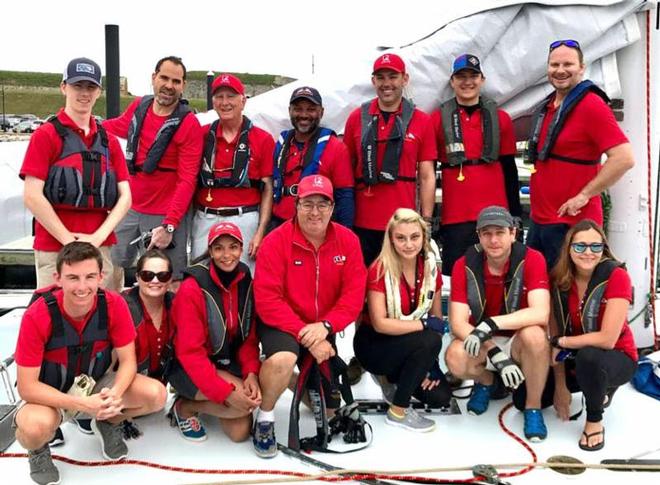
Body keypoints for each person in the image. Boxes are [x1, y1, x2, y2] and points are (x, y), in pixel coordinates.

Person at [13, 242, 166, 485]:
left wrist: (113, 397)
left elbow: (128, 362)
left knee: (156, 395)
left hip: (97, 385)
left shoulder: (115, 304)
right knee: (32, 428)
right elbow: (27, 387)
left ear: (100, 277)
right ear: (58, 278)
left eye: (89, 277)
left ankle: (108, 422)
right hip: (50, 395)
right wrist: (82, 404)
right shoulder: (37, 315)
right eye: (73, 277)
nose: (82, 287)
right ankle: (39, 450)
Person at [253, 174, 366, 458]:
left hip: (322, 327)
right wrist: (308, 334)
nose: (315, 212)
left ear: (332, 207)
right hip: (282, 324)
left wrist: (326, 326)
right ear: (296, 205)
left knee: (327, 410)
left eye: (322, 204)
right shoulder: (275, 241)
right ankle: (264, 419)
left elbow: (353, 296)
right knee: (283, 359)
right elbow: (268, 301)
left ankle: (290, 381)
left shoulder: (348, 241)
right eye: (308, 204)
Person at [21, 57, 131, 289]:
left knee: (106, 314)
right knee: (54, 316)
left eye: (91, 87)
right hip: (54, 247)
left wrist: (97, 239)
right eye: (77, 86)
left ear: (99, 92)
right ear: (64, 87)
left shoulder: (109, 141)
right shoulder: (45, 136)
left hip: (100, 245)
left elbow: (125, 197)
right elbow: (32, 195)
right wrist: (69, 240)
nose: (84, 93)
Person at [445, 206, 551, 442]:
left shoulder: (533, 259)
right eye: (486, 233)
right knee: (454, 356)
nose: (493, 240)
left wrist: (490, 323)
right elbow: (458, 323)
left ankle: (532, 407)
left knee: (535, 335)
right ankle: (488, 382)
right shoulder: (463, 264)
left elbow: (541, 313)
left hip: (517, 338)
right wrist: (493, 350)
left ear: (513, 233)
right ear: (478, 235)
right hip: (483, 341)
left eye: (500, 232)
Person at [525, 39, 634, 269]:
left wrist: (585, 195)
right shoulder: (549, 106)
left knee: (570, 297)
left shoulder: (591, 105)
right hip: (540, 221)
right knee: (539, 295)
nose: (560, 70)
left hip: (572, 226)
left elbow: (624, 157)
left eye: (568, 64)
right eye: (554, 65)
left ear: (582, 68)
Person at [103, 56, 203, 288]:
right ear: (153, 78)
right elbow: (117, 126)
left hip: (162, 214)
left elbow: (187, 179)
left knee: (166, 279)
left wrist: (170, 225)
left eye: (176, 81)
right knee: (109, 265)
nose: (169, 85)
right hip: (130, 207)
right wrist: (78, 123)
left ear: (183, 86)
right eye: (164, 78)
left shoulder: (188, 124)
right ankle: (111, 316)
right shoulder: (139, 106)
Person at [354, 208, 450, 432]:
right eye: (401, 238)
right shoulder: (379, 269)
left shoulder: (430, 268)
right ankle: (398, 411)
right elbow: (380, 323)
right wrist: (424, 326)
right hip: (373, 345)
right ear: (391, 239)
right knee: (430, 340)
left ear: (424, 237)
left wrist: (430, 364)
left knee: (440, 396)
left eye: (415, 237)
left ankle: (394, 377)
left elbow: (436, 316)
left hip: (407, 343)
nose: (409, 244)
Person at [545, 219, 637, 451]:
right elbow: (554, 334)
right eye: (580, 246)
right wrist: (560, 387)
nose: (588, 252)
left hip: (616, 357)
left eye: (596, 247)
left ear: (603, 249)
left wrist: (563, 342)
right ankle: (594, 386)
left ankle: (595, 419)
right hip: (574, 356)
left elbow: (607, 338)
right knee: (525, 397)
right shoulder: (557, 279)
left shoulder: (617, 276)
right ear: (569, 249)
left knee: (589, 356)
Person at [167, 222, 261, 442]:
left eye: (233, 247)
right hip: (189, 367)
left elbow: (249, 339)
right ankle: (185, 406)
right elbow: (190, 353)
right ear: (209, 251)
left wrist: (250, 373)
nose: (226, 255)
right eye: (218, 248)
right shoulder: (192, 289)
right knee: (238, 405)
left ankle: (208, 401)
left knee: (240, 434)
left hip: (226, 362)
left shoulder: (245, 279)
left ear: (241, 248)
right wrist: (225, 391)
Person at [431, 54, 521, 277]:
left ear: (482, 79)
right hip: (456, 216)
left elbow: (510, 169)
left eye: (473, 76)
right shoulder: (436, 120)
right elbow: (429, 173)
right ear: (452, 81)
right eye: (461, 76)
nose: (467, 82)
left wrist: (515, 214)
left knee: (499, 275)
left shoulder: (501, 118)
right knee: (456, 277)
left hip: (496, 214)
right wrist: (432, 217)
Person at [343, 53, 437, 267]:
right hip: (363, 222)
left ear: (405, 79)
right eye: (381, 77)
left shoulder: (421, 120)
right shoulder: (356, 118)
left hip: (404, 223)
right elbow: (346, 171)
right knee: (363, 285)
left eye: (393, 77)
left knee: (401, 287)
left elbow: (427, 175)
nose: (387, 83)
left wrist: (427, 221)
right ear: (373, 81)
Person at [192, 74, 275, 271]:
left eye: (231, 96)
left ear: (243, 100)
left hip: (245, 218)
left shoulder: (262, 139)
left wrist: (260, 231)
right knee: (200, 275)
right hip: (206, 218)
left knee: (246, 277)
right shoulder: (201, 135)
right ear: (213, 102)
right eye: (219, 97)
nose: (225, 102)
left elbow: (268, 189)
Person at [270, 86, 354, 229]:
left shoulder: (336, 148)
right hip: (279, 225)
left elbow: (345, 195)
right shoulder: (281, 144)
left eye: (310, 109)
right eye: (298, 109)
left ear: (321, 112)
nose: (304, 115)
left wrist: (344, 235)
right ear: (290, 111)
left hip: (316, 227)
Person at [122, 249, 175, 380]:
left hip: (166, 380)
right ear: (137, 277)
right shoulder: (121, 306)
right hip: (127, 380)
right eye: (147, 275)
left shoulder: (178, 305)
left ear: (170, 279)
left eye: (162, 275)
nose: (155, 280)